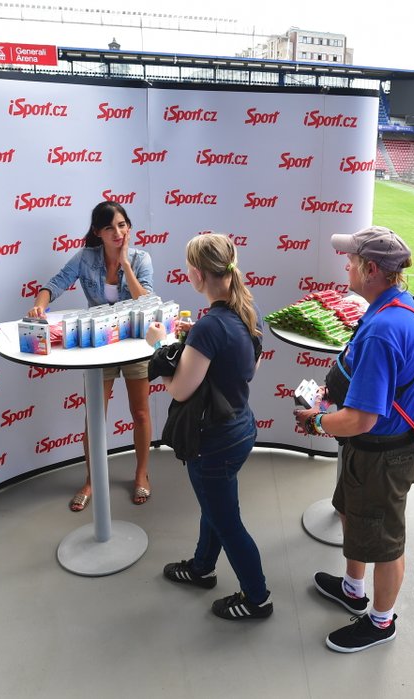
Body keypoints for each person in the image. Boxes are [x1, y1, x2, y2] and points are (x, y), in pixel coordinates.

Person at [294, 226, 414, 653]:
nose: (345, 264)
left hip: (380, 456)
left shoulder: (384, 329)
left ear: (371, 269)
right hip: (372, 452)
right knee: (352, 513)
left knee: (386, 543)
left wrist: (317, 422)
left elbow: (360, 420)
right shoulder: (394, 306)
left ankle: (381, 622)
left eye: (351, 259)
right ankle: (353, 588)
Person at [150, 234, 272, 621]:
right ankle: (202, 567)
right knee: (215, 507)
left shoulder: (209, 327)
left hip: (214, 441)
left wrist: (161, 345)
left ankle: (258, 599)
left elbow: (181, 390)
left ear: (197, 275)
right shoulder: (245, 311)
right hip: (240, 429)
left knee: (227, 522)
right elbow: (248, 369)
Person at [28, 201, 153, 511]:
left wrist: (124, 264)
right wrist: (40, 306)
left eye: (122, 225)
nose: (118, 232)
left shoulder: (140, 258)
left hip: (135, 342)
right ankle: (92, 478)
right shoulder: (86, 257)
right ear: (98, 232)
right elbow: (55, 284)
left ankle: (141, 474)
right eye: (110, 227)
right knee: (95, 417)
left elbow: (147, 301)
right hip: (98, 344)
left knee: (140, 413)